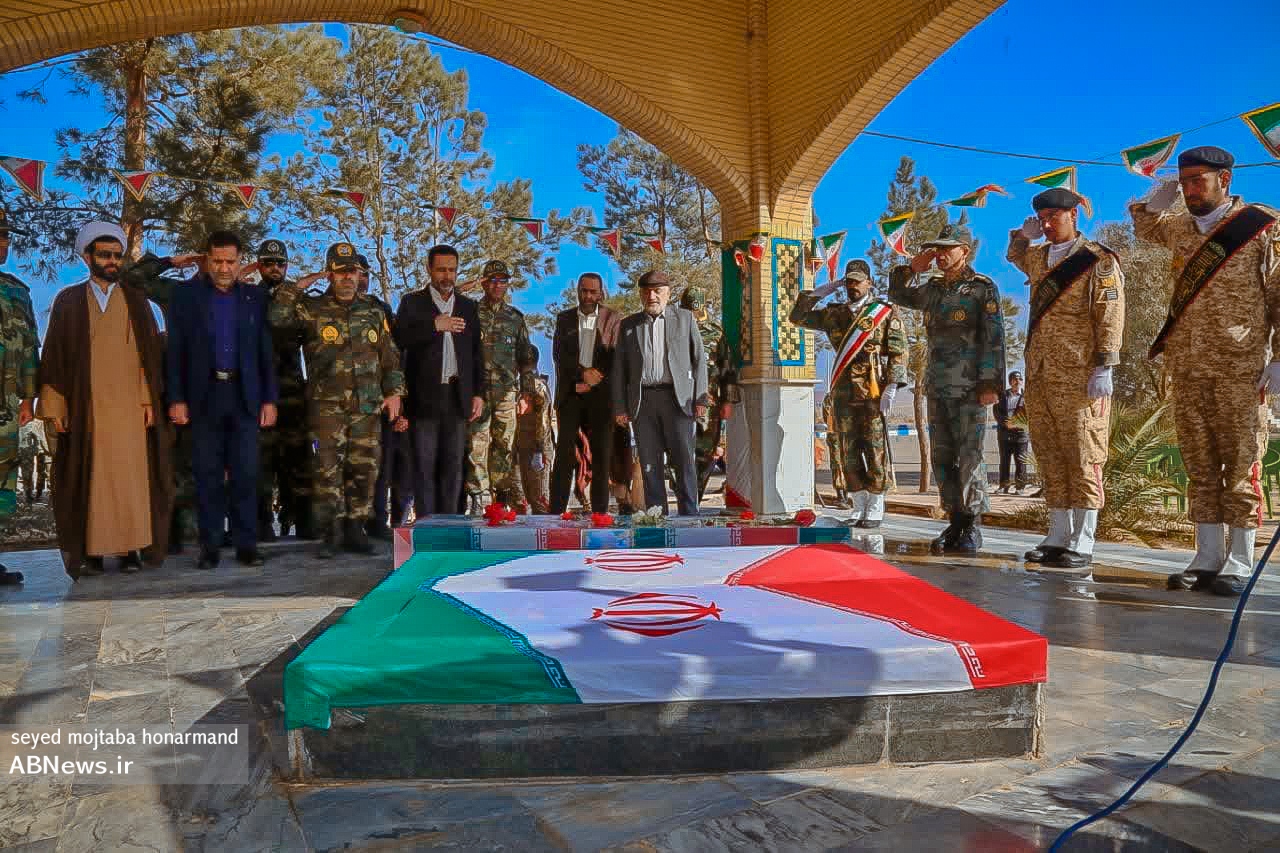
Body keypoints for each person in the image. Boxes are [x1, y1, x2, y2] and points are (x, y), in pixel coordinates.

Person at [1131, 145, 1280, 597]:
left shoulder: (1262, 226)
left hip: (1241, 365)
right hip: (1188, 364)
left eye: (1200, 180)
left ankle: (1239, 559)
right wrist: (1163, 190)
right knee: (1198, 464)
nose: (1192, 189)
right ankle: (1208, 555)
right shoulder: (1179, 228)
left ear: (1226, 181)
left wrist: (1279, 359)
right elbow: (1145, 226)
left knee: (1239, 464)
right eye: (1186, 181)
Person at [38, 222, 174, 577]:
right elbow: (53, 356)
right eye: (105, 255)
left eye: (117, 256)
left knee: (131, 479)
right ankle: (94, 551)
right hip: (86, 407)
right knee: (92, 478)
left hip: (130, 408)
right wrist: (55, 408)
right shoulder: (68, 300)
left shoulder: (135, 299)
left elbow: (149, 356)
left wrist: (148, 402)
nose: (113, 261)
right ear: (88, 257)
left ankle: (130, 549)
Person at [1010, 187, 1125, 572]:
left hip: (1080, 373)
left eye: (1052, 218)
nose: (1045, 224)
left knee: (1084, 454)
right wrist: (1021, 236)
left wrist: (1105, 364)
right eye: (1041, 218)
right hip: (1041, 372)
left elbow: (1109, 313)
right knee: (1050, 453)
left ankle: (1083, 538)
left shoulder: (1097, 260)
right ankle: (1057, 533)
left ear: (1074, 215)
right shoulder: (1039, 257)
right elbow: (1015, 256)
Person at [270, 242, 404, 557]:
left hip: (367, 406)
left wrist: (395, 392)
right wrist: (298, 285)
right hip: (325, 406)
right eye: (341, 271)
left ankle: (356, 528)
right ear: (330, 273)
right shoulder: (312, 308)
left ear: (359, 274)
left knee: (364, 469)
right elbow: (276, 319)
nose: (347, 277)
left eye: (352, 271)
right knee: (326, 469)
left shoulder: (373, 310)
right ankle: (330, 532)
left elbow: (390, 357)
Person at [888, 224, 1006, 554]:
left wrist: (989, 383)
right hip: (937, 385)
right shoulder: (933, 289)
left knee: (970, 456)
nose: (940, 255)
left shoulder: (982, 288)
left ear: (964, 252)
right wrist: (912, 269)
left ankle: (972, 524)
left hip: (970, 386)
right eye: (936, 249)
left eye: (946, 249)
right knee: (943, 456)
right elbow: (897, 294)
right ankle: (955, 518)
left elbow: (994, 338)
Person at [166, 230, 278, 570]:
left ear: (240, 261)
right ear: (206, 260)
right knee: (207, 475)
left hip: (244, 396)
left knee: (246, 474)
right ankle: (210, 547)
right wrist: (177, 398)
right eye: (217, 261)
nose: (225, 268)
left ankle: (247, 546)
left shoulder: (255, 298)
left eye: (231, 261)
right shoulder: (185, 296)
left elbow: (264, 351)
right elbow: (175, 351)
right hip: (203, 396)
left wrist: (269, 399)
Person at [791, 259, 907, 528]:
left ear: (869, 283)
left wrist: (892, 386)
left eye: (858, 281)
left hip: (873, 392)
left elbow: (899, 352)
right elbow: (797, 317)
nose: (854, 286)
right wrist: (822, 291)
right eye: (849, 281)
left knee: (874, 448)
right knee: (848, 451)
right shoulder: (835, 313)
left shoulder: (884, 313)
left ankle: (876, 503)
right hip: (843, 392)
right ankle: (858, 503)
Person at [394, 244, 484, 517]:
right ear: (429, 270)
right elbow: (399, 340)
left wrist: (478, 393)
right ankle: (427, 529)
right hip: (423, 399)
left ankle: (451, 528)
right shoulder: (412, 302)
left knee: (453, 468)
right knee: (424, 467)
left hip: (457, 398)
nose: (447, 276)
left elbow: (477, 354)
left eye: (452, 270)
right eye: (442, 269)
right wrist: (434, 326)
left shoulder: (468, 307)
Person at [612, 270, 709, 516]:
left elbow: (699, 361)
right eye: (646, 291)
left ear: (668, 293)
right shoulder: (628, 325)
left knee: (684, 461)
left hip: (678, 400)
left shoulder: (685, 319)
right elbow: (619, 369)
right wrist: (621, 408)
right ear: (641, 295)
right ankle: (657, 517)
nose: (651, 296)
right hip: (643, 402)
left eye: (657, 291)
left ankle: (690, 515)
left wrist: (700, 398)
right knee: (649, 464)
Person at [241, 238, 314, 541]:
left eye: (279, 263)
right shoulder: (247, 297)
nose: (274, 268)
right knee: (261, 462)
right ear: (258, 265)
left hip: (293, 391)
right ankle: (261, 523)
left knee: (299, 460)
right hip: (259, 393)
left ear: (286, 265)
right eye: (267, 263)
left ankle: (303, 520)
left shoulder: (301, 300)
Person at [466, 260, 537, 513]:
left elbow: (526, 360)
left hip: (507, 395)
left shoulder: (515, 318)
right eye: (493, 280)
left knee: (504, 446)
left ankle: (501, 499)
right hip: (479, 393)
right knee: (476, 444)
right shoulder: (470, 313)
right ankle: (477, 496)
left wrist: (526, 394)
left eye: (503, 281)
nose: (498, 285)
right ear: (484, 283)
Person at [549, 272, 621, 514]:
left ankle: (600, 512)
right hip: (570, 395)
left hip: (601, 397)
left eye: (593, 291)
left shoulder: (613, 318)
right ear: (577, 291)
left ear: (601, 293)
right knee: (564, 456)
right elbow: (559, 355)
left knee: (602, 457)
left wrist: (594, 378)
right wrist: (581, 376)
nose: (588, 296)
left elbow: (615, 356)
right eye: (584, 291)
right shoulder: (564, 318)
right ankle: (557, 511)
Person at [0, 208, 38, 584]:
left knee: (3, 480)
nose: (3, 243)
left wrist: (29, 399)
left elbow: (30, 348)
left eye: (5, 236)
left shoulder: (17, 289)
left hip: (8, 407)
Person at [680, 285, 741, 502]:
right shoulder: (673, 330)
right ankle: (684, 498)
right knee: (679, 453)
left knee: (705, 455)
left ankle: (694, 498)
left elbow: (728, 371)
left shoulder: (716, 334)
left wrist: (728, 401)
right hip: (677, 403)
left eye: (695, 311)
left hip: (709, 405)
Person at [516, 350, 554, 514]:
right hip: (524, 447)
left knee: (539, 501)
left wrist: (539, 450)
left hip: (536, 450)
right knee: (525, 501)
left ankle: (543, 538)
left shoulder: (536, 384)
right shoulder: (525, 384)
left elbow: (543, 421)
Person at [992, 372, 1030, 496]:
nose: (1017, 381)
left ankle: (1020, 487)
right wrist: (1005, 423)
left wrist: (1017, 423)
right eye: (1014, 379)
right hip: (1004, 434)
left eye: (1019, 378)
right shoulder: (1002, 395)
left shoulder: (1027, 396)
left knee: (1021, 461)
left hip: (1021, 435)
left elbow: (1030, 414)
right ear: (1010, 381)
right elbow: (996, 411)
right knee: (1004, 461)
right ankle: (1003, 486)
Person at [822, 394, 849, 508]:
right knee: (837, 465)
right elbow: (826, 416)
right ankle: (841, 496)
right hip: (835, 435)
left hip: (848, 435)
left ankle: (846, 496)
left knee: (848, 464)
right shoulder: (830, 397)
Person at [18, 421, 50, 506]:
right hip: (29, 447)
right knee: (28, 471)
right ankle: (29, 495)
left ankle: (38, 493)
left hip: (43, 447)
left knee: (43, 471)